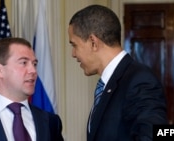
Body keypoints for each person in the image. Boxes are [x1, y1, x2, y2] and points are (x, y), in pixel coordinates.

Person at [68, 4, 168, 141]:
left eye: (74, 45)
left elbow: (156, 135)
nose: (73, 54)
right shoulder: (108, 85)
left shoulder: (140, 81)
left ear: (93, 42)